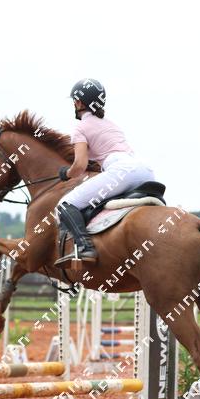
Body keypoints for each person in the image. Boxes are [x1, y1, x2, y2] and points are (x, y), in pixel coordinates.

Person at [54, 78, 155, 268]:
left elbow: (80, 165)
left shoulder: (80, 127)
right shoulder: (111, 124)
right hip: (145, 170)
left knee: (65, 205)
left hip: (122, 171)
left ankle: (85, 247)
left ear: (78, 103)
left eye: (74, 101)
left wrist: (66, 173)